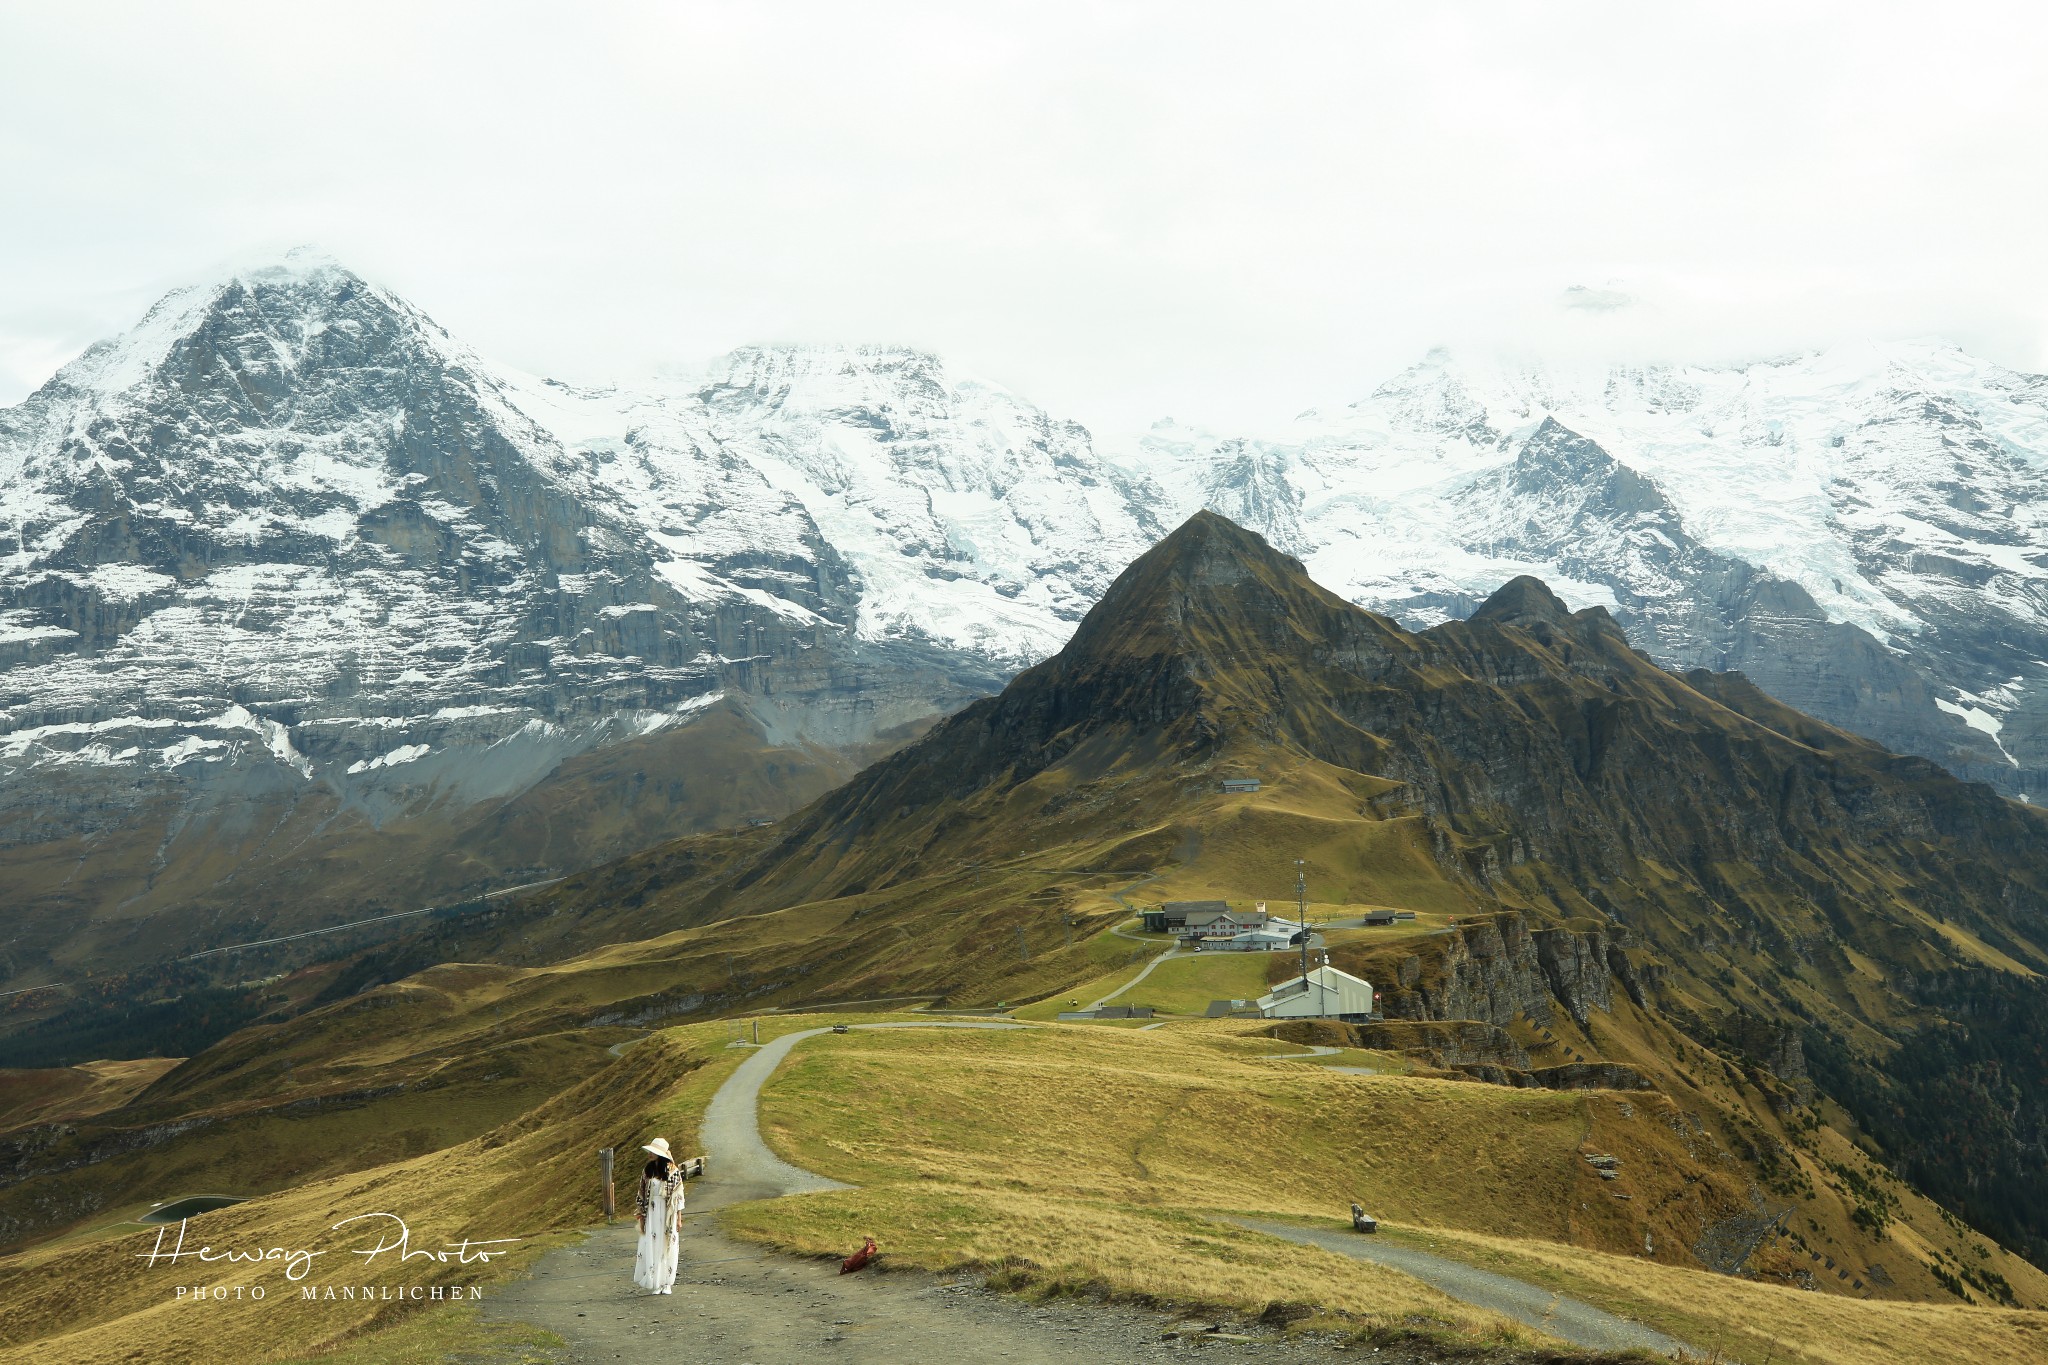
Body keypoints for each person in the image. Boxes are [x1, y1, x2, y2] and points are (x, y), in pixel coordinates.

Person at [634, 1136, 684, 1294]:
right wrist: (641, 1213)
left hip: (667, 1213)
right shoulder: (648, 1171)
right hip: (652, 1213)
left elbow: (678, 1196)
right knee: (652, 1245)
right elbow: (641, 1192)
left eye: (653, 1152)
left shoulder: (673, 1171)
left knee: (667, 1245)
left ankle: (667, 1282)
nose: (650, 1154)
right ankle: (655, 1281)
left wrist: (679, 1219)